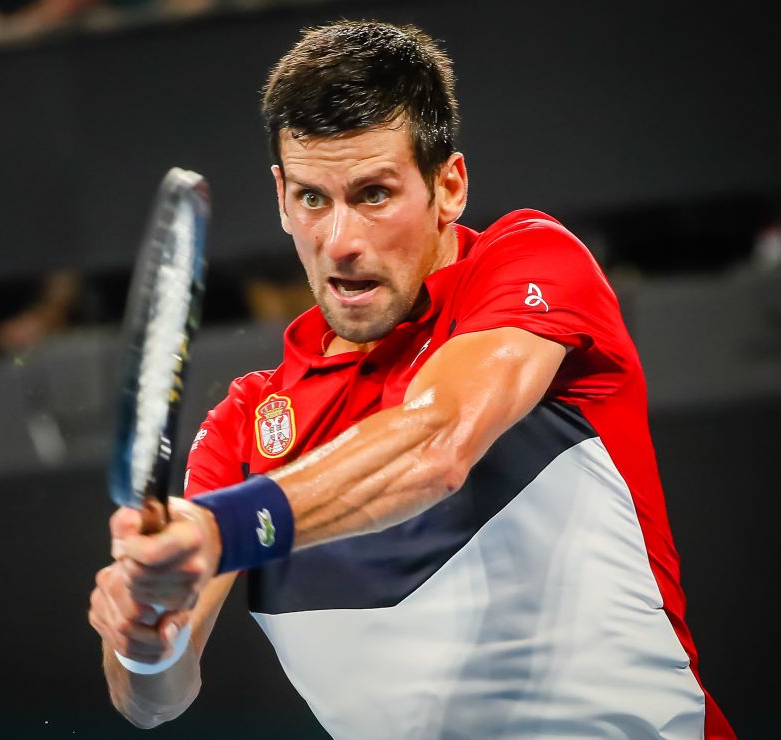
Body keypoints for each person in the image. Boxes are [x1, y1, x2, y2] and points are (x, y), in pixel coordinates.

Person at [88, 20, 735, 739]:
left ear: (448, 186)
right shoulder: (246, 427)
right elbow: (151, 701)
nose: (341, 241)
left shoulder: (532, 263)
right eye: (311, 198)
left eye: (374, 194)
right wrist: (148, 641)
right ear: (279, 197)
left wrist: (221, 529)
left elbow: (436, 443)